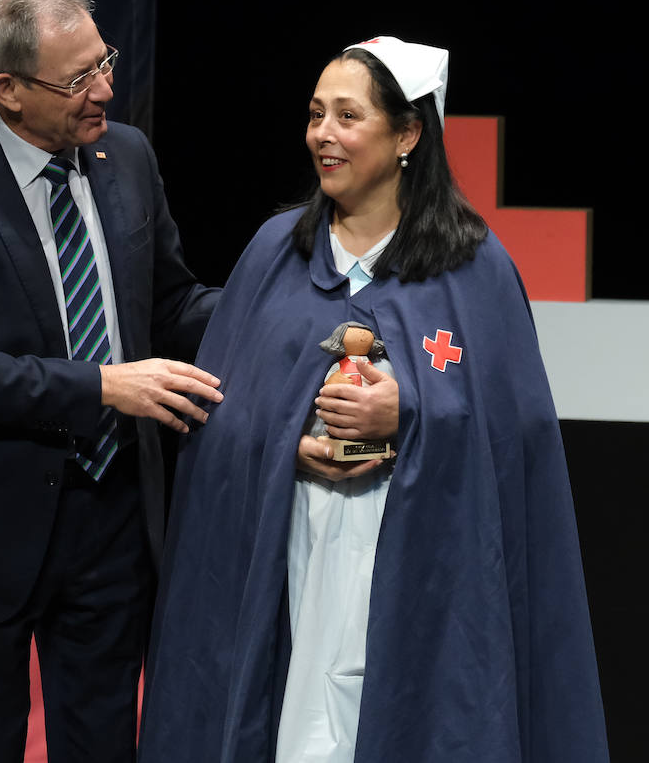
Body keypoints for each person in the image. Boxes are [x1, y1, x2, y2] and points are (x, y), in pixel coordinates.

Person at [138, 37, 608, 762]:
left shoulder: (476, 269)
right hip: (290, 560)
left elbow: (519, 441)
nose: (322, 135)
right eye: (316, 114)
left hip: (420, 577)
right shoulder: (272, 254)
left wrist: (410, 414)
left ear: (408, 134)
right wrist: (285, 440)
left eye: (348, 117)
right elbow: (223, 414)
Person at [0, 0, 221, 762]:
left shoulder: (126, 157)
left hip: (112, 523)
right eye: (80, 79)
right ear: (9, 91)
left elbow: (169, 305)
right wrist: (103, 385)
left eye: (106, 62)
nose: (106, 89)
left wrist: (274, 309)